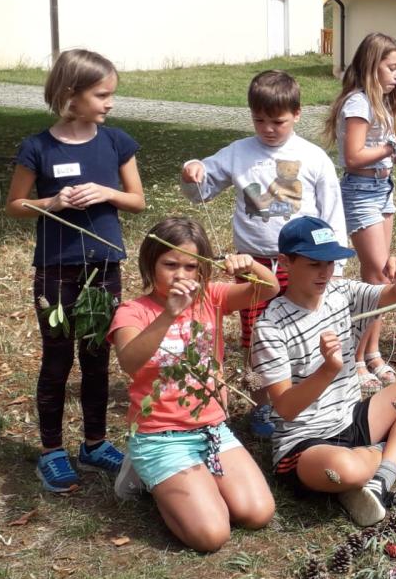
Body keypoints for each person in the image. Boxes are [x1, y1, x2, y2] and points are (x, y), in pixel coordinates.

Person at [4, 48, 146, 493]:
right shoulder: (37, 148)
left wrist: (105, 192)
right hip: (55, 270)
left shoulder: (115, 142)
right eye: (102, 94)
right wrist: (52, 202)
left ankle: (94, 442)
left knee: (97, 357)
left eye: (111, 95)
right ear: (71, 94)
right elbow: (15, 205)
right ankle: (51, 451)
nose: (110, 103)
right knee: (58, 357)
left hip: (103, 267)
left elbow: (137, 200)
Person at [250, 216, 396, 526]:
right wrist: (327, 371)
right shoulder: (270, 326)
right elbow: (286, 409)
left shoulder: (340, 293)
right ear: (285, 262)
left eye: (330, 262)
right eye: (315, 263)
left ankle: (381, 477)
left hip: (352, 417)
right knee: (345, 470)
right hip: (306, 441)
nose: (325, 272)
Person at [181, 69, 345, 437]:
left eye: (278, 121)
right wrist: (193, 171)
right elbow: (201, 188)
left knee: (305, 326)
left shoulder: (313, 157)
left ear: (297, 114)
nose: (268, 129)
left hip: (302, 262)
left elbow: (332, 212)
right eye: (259, 120)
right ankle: (262, 406)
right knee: (258, 333)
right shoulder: (239, 153)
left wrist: (337, 263)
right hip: (254, 264)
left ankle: (308, 395)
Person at [108, 218, 278, 551]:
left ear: (203, 270)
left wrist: (251, 264)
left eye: (191, 266)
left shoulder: (211, 298)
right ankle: (152, 479)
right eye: (170, 265)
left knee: (258, 513)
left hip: (212, 428)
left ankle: (195, 482)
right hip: (160, 436)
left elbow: (268, 289)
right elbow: (129, 362)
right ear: (150, 264)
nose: (181, 275)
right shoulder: (133, 311)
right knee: (211, 536)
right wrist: (169, 313)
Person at [322, 33, 396, 395]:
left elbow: (388, 156)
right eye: (392, 67)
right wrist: (394, 143)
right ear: (372, 65)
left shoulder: (381, 105)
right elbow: (354, 157)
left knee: (381, 279)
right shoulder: (357, 103)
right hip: (359, 192)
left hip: (382, 190)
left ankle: (372, 353)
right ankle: (355, 359)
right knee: (376, 279)